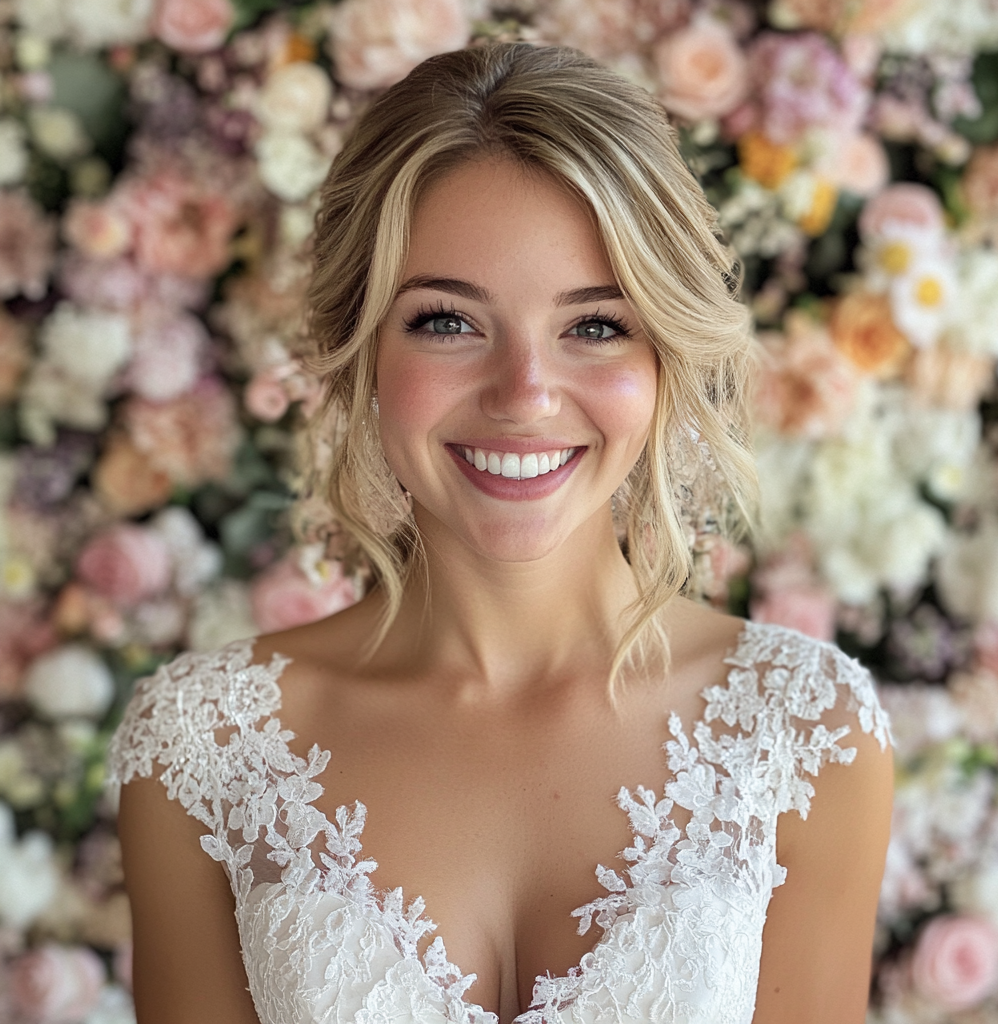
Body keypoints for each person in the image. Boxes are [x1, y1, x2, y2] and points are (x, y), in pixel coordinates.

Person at [108, 42, 893, 1024]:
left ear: (664, 356)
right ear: (360, 354)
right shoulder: (202, 748)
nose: (524, 393)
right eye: (447, 321)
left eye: (595, 325)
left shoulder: (806, 735)